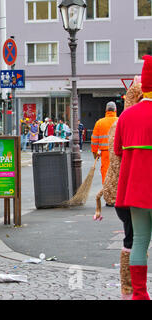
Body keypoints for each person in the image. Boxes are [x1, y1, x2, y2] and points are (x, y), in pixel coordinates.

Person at [94, 78, 143, 300]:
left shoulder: (118, 123)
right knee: (138, 241)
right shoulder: (133, 121)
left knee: (132, 241)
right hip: (140, 191)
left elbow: (113, 157)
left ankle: (129, 291)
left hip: (122, 193)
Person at [114, 55, 152, 300]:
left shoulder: (126, 116)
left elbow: (117, 151)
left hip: (136, 193)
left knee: (139, 241)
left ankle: (140, 294)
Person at [91, 101, 118, 184]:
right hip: (118, 153)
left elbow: (94, 140)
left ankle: (107, 194)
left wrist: (95, 153)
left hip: (105, 154)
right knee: (117, 174)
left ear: (106, 110)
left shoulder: (100, 123)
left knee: (106, 174)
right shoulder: (120, 121)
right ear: (115, 110)